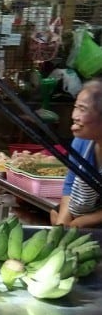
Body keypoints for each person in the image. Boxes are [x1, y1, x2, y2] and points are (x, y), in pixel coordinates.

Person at [51, 79, 102, 228]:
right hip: (90, 206)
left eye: (83, 109)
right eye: (76, 107)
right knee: (56, 215)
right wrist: (62, 226)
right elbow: (70, 184)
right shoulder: (81, 142)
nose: (74, 116)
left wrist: (81, 222)